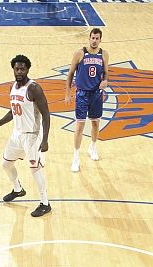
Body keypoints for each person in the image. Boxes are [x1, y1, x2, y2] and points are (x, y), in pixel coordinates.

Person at [0, 55, 52, 218]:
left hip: (32, 135)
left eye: (22, 69)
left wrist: (45, 139)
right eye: (17, 69)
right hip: (17, 133)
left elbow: (46, 114)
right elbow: (13, 112)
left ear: (27, 70)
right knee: (6, 164)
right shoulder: (13, 87)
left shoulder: (34, 88)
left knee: (35, 169)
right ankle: (18, 189)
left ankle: (45, 203)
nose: (19, 71)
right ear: (13, 69)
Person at [64, 28, 108, 173]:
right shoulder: (80, 53)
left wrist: (105, 81)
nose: (94, 41)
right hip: (82, 94)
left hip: (96, 94)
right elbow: (70, 74)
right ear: (89, 38)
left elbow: (106, 73)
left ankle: (92, 147)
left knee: (95, 123)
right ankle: (76, 158)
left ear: (100, 40)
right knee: (80, 126)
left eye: (97, 38)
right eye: (92, 38)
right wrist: (68, 93)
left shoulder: (104, 54)